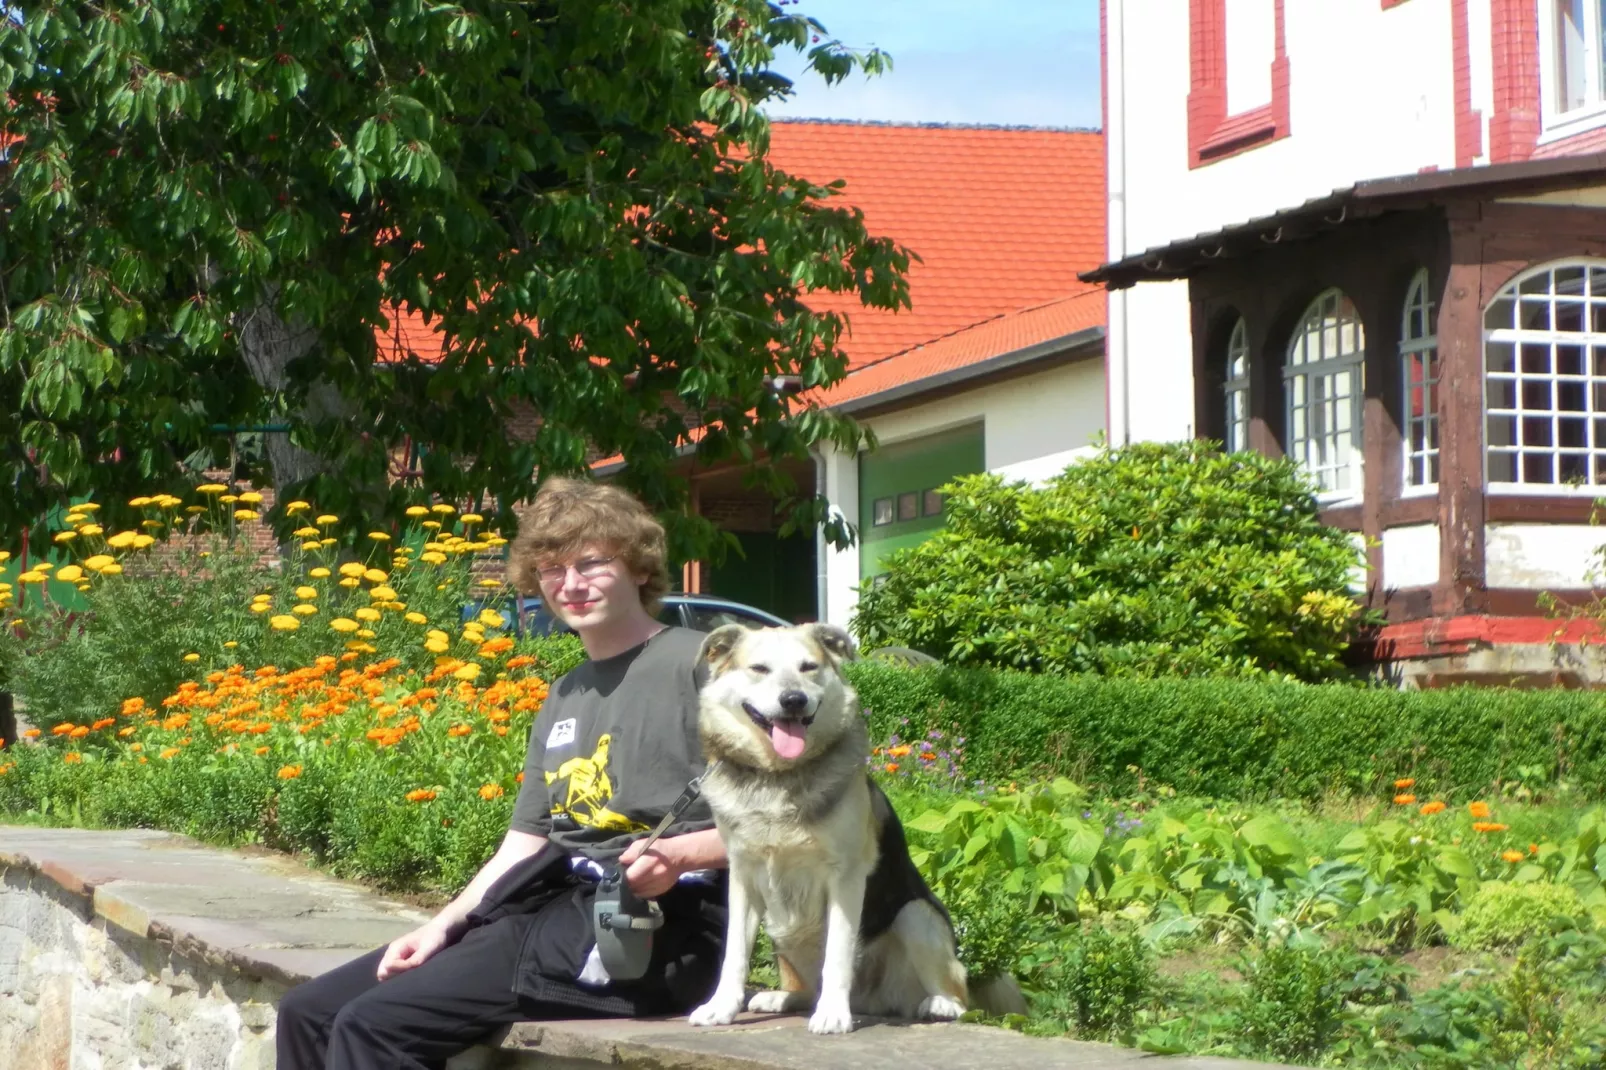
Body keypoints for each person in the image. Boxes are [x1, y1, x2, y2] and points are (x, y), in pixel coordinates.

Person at [276, 479, 728, 1070]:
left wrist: (683, 854)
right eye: (551, 569)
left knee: (375, 1026)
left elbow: (807, 816)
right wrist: (440, 927)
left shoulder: (704, 665)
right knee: (309, 1010)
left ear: (640, 568)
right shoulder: (565, 693)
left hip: (657, 929)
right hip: (554, 908)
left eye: (591, 563)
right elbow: (526, 842)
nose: (570, 584)